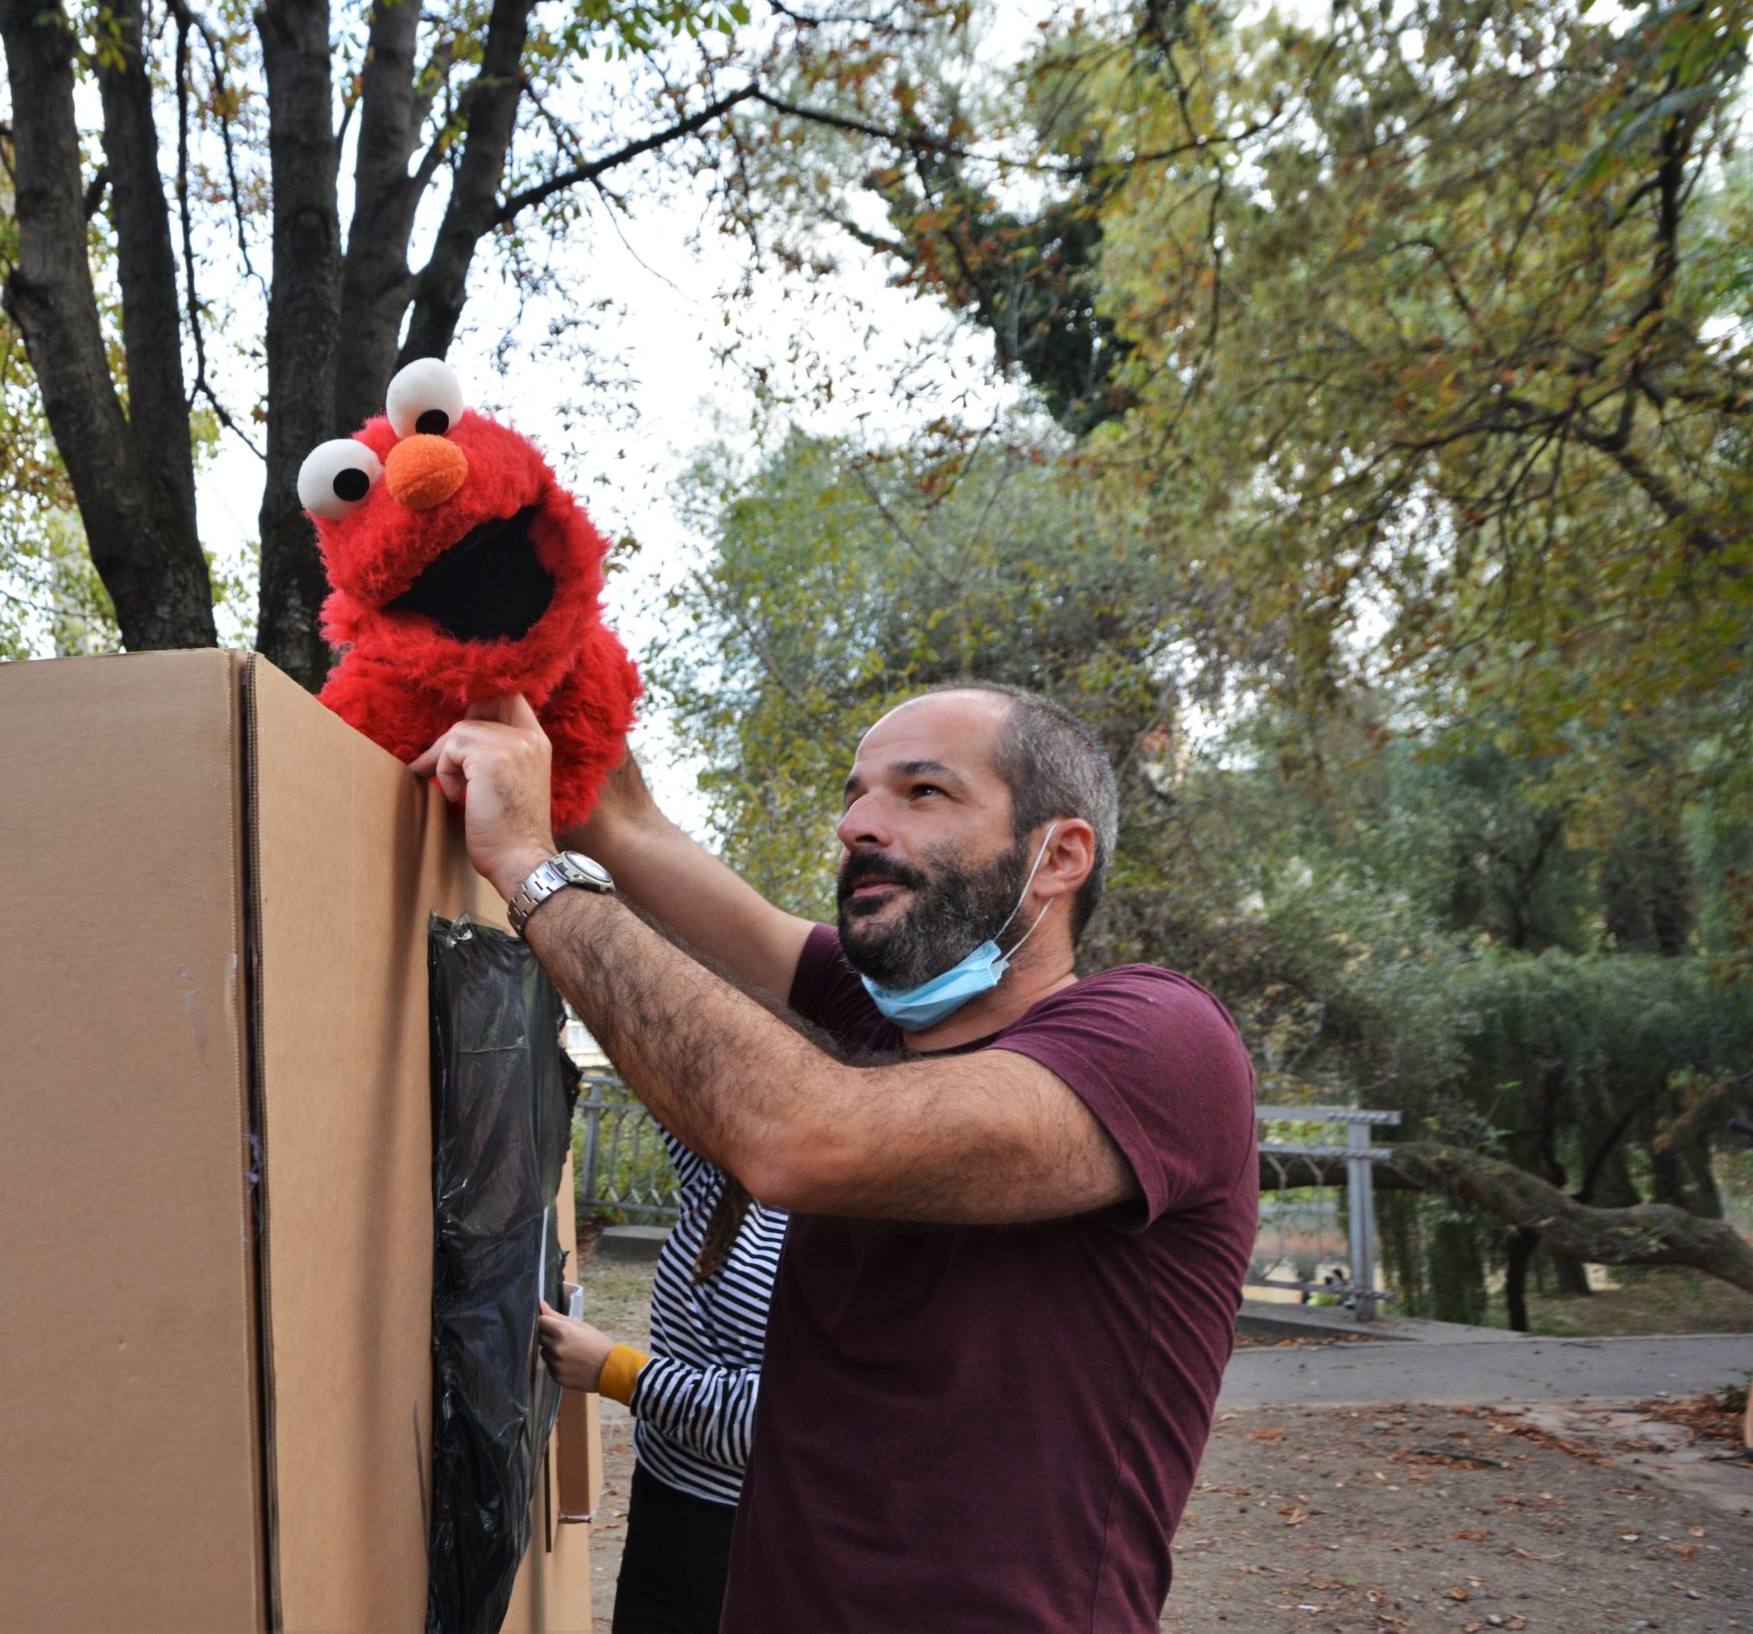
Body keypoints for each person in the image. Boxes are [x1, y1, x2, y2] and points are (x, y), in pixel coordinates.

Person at [413, 682, 1258, 1632]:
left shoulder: (1158, 1041)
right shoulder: (874, 1018)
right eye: (856, 795)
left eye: (922, 791)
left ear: (1057, 855)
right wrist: (513, 630)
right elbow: (626, 824)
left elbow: (799, 1133)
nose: (858, 822)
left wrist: (531, 867)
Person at [539, 1115, 784, 1634]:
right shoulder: (728, 1174)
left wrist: (615, 1370)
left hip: (758, 1535)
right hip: (662, 1498)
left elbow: (785, 1419)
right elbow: (668, 1057)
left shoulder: (858, 1228)